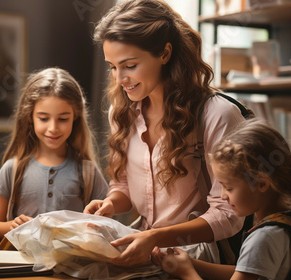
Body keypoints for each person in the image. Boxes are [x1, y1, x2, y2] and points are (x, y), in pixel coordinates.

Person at [84, 0, 246, 266]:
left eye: (130, 65)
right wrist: (111, 204)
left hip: (200, 260)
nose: (119, 79)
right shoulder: (122, 113)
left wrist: (157, 238)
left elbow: (229, 215)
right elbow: (123, 185)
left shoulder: (217, 115)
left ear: (165, 53)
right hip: (146, 251)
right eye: (113, 67)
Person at [153, 119, 291, 280]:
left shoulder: (263, 237)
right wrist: (193, 264)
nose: (223, 195)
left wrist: (186, 273)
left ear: (261, 183)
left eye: (229, 187)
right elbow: (248, 271)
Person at [0, 67, 109, 238]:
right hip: (21, 263)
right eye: (44, 118)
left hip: (73, 263)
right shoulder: (13, 169)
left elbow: (106, 221)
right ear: (30, 117)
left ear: (75, 117)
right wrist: (12, 225)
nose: (53, 128)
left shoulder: (88, 172)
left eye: (62, 119)